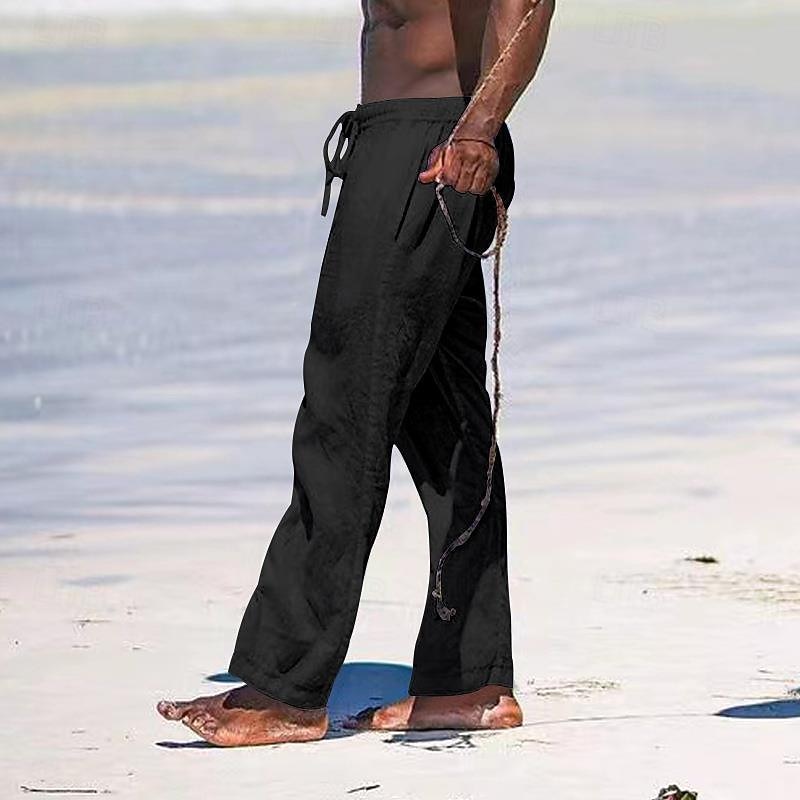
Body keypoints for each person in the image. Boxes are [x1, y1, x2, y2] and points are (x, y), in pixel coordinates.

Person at [157, 0, 555, 746]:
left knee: (345, 406)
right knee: (446, 425)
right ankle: (470, 680)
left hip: (437, 143)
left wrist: (478, 128)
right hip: (402, 135)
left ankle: (287, 687)